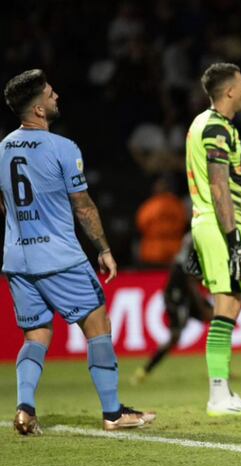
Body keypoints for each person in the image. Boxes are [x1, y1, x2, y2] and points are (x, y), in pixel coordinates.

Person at [0, 69, 155, 434]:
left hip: (17, 258)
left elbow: (5, 204)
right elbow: (83, 206)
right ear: (38, 109)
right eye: (51, 94)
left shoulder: (3, 148)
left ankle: (25, 409)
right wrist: (103, 248)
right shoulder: (63, 148)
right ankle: (114, 412)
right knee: (97, 324)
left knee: (36, 334)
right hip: (59, 257)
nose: (56, 98)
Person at [185, 62, 241, 416]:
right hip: (220, 226)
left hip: (207, 224)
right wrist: (234, 241)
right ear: (229, 90)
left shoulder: (200, 124)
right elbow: (218, 186)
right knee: (226, 305)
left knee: (229, 304)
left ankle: (224, 391)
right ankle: (218, 395)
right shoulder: (217, 127)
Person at [131, 233, 214, 384]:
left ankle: (219, 371)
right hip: (177, 296)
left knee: (216, 318)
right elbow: (190, 279)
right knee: (175, 337)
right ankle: (144, 371)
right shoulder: (194, 239)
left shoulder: (197, 236)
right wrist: (201, 306)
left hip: (187, 294)